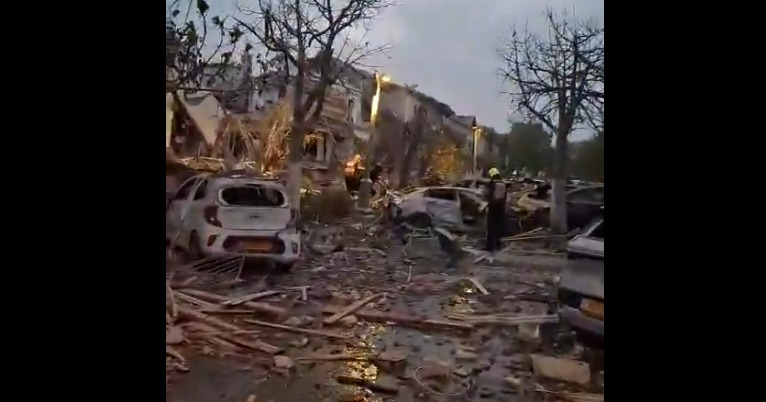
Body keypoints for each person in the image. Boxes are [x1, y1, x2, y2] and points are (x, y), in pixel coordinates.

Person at [484, 167, 507, 252]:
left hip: (493, 207)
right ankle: (498, 245)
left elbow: (487, 194)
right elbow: (505, 196)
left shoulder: (492, 184)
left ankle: (489, 247)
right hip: (501, 207)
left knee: (491, 227)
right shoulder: (503, 184)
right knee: (498, 227)